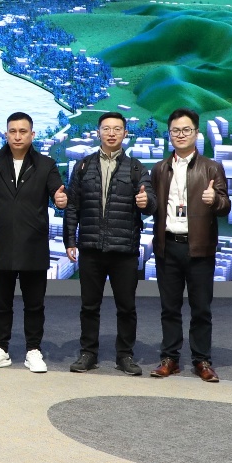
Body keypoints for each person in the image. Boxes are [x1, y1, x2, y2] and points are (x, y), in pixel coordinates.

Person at [63, 112, 155, 376]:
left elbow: (151, 203)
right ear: (98, 132)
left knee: (126, 307)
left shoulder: (136, 168)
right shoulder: (82, 166)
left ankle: (125, 355)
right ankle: (88, 353)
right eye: (106, 128)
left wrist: (146, 202)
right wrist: (70, 240)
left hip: (124, 249)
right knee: (89, 306)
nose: (111, 133)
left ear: (125, 133)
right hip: (91, 247)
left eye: (117, 129)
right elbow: (73, 206)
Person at [0, 112, 67, 374]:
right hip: (0, 244)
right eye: (13, 131)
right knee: (1, 303)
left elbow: (58, 193)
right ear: (6, 134)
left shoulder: (46, 165)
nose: (17, 136)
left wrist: (61, 200)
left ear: (32, 135)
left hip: (33, 245)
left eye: (23, 131)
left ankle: (33, 350)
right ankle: (0, 348)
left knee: (34, 304)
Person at [149, 108, 231, 383]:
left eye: (186, 130)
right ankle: (169, 358)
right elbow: (153, 205)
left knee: (201, 308)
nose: (181, 135)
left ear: (196, 133)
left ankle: (202, 360)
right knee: (169, 307)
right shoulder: (160, 168)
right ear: (169, 134)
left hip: (199, 247)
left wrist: (214, 200)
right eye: (176, 130)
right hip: (168, 246)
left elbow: (226, 206)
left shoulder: (211, 167)